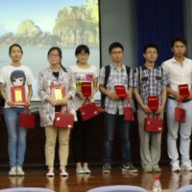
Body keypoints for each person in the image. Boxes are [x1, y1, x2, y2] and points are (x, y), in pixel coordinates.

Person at [98, 42, 138, 174]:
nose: (117, 55)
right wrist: (110, 94)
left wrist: (128, 95)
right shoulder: (105, 70)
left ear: (122, 54)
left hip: (125, 108)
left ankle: (127, 163)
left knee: (125, 137)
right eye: (114, 53)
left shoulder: (129, 70)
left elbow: (131, 86)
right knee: (109, 137)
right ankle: (106, 163)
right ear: (110, 54)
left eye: (119, 52)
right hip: (110, 107)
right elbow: (100, 87)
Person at [39, 46, 77, 178]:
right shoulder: (43, 73)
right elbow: (40, 90)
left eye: (56, 55)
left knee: (64, 141)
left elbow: (73, 88)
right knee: (50, 141)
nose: (53, 57)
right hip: (49, 110)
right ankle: (50, 168)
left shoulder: (68, 72)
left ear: (61, 57)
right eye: (51, 55)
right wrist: (51, 100)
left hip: (65, 110)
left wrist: (67, 98)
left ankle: (63, 167)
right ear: (48, 57)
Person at [162, 36, 192, 173]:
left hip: (188, 102)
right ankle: (174, 162)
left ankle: (186, 161)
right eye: (177, 46)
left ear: (185, 48)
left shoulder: (191, 63)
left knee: (186, 134)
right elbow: (163, 85)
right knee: (172, 133)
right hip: (173, 102)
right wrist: (174, 93)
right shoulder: (166, 64)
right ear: (172, 48)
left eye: (182, 46)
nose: (179, 49)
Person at [132, 44, 167, 173]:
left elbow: (164, 90)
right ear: (144, 55)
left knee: (157, 137)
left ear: (157, 55)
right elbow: (135, 90)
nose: (152, 54)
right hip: (144, 109)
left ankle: (155, 163)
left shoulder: (161, 71)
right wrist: (142, 105)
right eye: (149, 52)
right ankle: (147, 163)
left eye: (154, 52)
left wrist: (162, 106)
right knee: (145, 138)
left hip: (158, 110)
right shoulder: (138, 71)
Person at [0, 43, 32, 177]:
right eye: (13, 51)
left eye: (18, 51)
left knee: (22, 138)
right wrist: (8, 101)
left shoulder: (27, 69)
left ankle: (20, 166)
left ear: (21, 53)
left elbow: (30, 89)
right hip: (10, 109)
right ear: (9, 54)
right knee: (12, 138)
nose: (16, 54)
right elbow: (1, 89)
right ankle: (13, 166)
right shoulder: (5, 69)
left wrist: (28, 99)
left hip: (24, 109)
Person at [69, 44, 98, 175]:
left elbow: (96, 86)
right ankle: (78, 164)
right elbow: (70, 85)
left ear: (88, 55)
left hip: (89, 106)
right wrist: (77, 92)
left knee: (88, 136)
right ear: (76, 55)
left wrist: (92, 93)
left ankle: (86, 164)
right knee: (77, 137)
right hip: (75, 106)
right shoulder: (71, 69)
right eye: (80, 54)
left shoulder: (93, 69)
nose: (83, 56)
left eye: (85, 54)